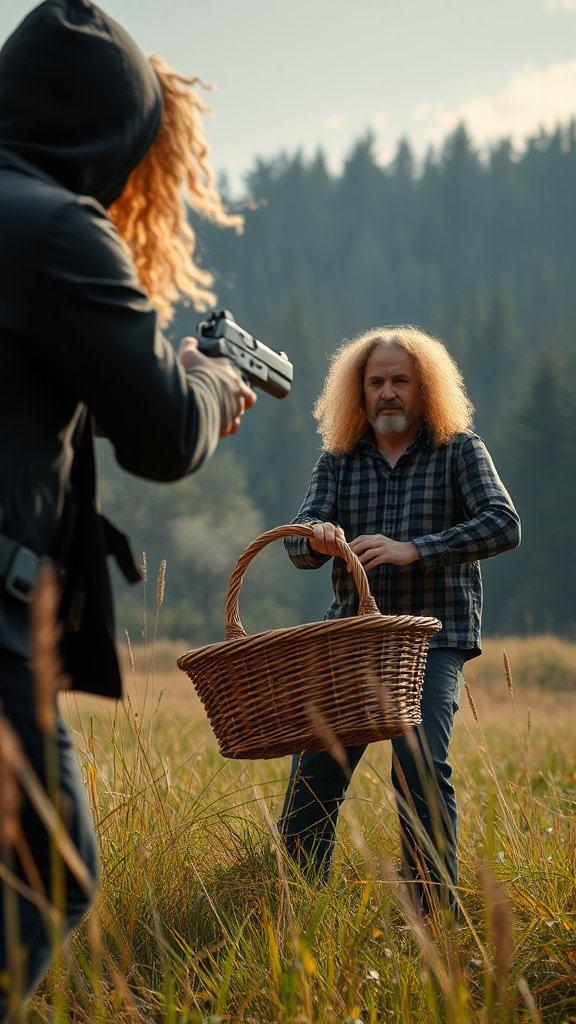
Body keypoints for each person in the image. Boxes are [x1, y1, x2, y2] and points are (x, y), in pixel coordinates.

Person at [0, 0, 255, 1013]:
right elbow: (161, 436)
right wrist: (207, 386)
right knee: (52, 867)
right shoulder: (56, 226)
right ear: (113, 134)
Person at [279, 325, 520, 912]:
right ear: (358, 392)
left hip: (433, 639)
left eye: (401, 381)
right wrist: (319, 537)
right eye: (376, 382)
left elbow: (504, 523)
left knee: (417, 764)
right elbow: (297, 545)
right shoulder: (337, 460)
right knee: (314, 774)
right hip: (353, 640)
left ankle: (433, 916)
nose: (388, 393)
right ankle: (299, 908)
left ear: (424, 388)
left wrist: (419, 547)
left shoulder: (460, 448)